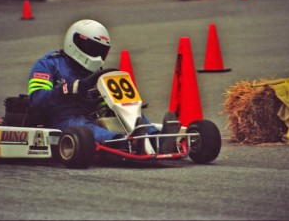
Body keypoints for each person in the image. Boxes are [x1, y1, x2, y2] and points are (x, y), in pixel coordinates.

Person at [28, 19, 178, 153]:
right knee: (83, 126)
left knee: (130, 111)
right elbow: (36, 100)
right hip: (62, 119)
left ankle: (156, 138)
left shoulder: (95, 71)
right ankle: (122, 142)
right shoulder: (49, 64)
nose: (98, 56)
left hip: (92, 115)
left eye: (101, 51)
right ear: (76, 42)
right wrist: (67, 89)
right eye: (93, 49)